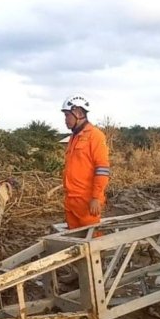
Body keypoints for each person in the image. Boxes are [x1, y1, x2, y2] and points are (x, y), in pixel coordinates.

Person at [61, 93, 110, 230]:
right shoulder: (74, 137)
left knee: (92, 241)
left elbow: (102, 168)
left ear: (78, 112)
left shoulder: (95, 136)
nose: (65, 120)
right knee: (75, 241)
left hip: (87, 201)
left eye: (67, 115)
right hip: (71, 200)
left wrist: (96, 198)